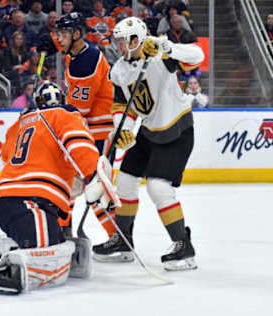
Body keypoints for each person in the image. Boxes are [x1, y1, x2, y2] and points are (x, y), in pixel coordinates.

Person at [0, 81, 110, 293]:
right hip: (31, 201)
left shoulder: (21, 123)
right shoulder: (65, 115)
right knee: (50, 250)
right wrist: (93, 176)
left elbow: (6, 154)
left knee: (54, 235)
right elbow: (79, 144)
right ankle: (11, 267)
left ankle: (9, 246)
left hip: (9, 200)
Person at [93, 17, 203, 271]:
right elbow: (124, 107)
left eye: (122, 41)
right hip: (148, 130)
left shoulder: (160, 54)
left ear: (136, 39)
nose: (118, 46)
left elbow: (197, 56)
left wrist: (166, 46)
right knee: (125, 182)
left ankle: (183, 246)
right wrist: (124, 129)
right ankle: (123, 241)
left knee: (158, 188)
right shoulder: (119, 70)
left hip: (177, 128)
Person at [38, 12, 116, 238]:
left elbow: (77, 111)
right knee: (70, 183)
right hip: (88, 131)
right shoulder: (79, 52)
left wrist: (49, 112)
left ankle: (117, 237)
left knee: (95, 188)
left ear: (77, 34)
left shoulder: (85, 62)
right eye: (57, 34)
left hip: (97, 134)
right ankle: (64, 231)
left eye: (63, 34)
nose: (59, 39)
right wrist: (48, 43)